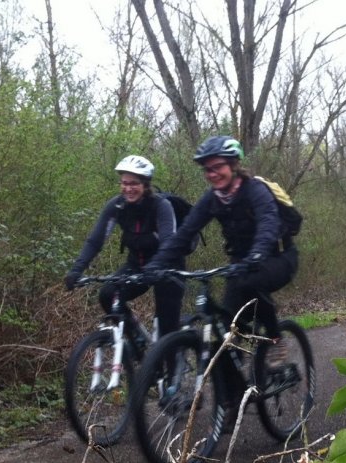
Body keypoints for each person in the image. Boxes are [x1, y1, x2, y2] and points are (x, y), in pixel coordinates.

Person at [145, 135, 299, 370]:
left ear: (234, 165)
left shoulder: (254, 190)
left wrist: (257, 254)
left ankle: (276, 337)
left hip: (278, 256)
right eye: (207, 169)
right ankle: (229, 401)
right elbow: (184, 234)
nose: (212, 174)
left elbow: (269, 223)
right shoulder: (212, 199)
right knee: (225, 332)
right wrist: (156, 263)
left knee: (249, 283)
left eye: (218, 167)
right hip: (241, 263)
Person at [64, 155, 184, 342]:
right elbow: (96, 240)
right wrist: (77, 269)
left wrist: (157, 268)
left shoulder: (162, 206)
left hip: (168, 267)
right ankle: (137, 340)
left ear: (145, 184)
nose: (128, 188)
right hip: (137, 265)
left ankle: (167, 364)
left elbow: (169, 243)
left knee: (165, 327)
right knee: (108, 295)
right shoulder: (117, 206)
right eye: (124, 183)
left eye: (134, 183)